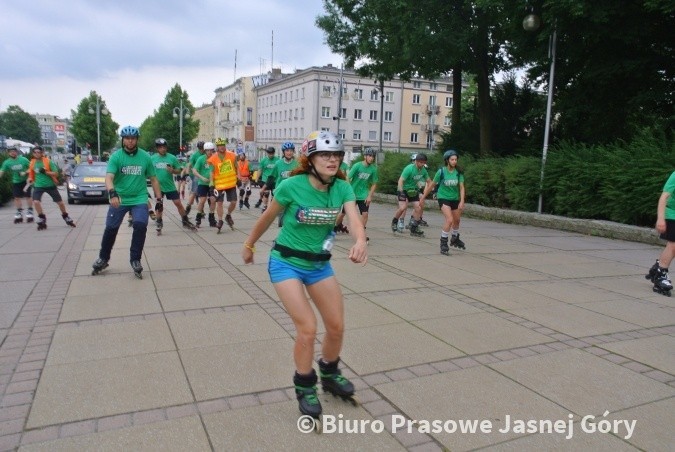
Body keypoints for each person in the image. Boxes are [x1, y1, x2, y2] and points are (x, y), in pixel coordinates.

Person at [241, 130, 367, 421]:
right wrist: (249, 245)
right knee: (308, 328)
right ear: (310, 159)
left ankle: (330, 373)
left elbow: (354, 218)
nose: (332, 160)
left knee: (336, 326)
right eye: (325, 155)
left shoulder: (342, 187)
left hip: (319, 266)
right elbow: (267, 217)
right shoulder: (291, 186)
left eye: (336, 155)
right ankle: (305, 385)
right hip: (286, 263)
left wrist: (360, 240)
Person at [91, 126, 162, 278]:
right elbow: (109, 178)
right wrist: (112, 193)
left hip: (139, 198)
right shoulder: (116, 157)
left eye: (133, 138)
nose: (130, 141)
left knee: (140, 225)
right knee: (110, 228)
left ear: (137, 139)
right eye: (127, 138)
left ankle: (135, 259)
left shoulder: (145, 157)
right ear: (123, 140)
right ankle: (103, 258)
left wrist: (159, 199)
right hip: (120, 198)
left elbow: (154, 180)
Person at [420, 150, 466, 255]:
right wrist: (423, 197)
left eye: (456, 159)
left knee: (457, 220)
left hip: (454, 198)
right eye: (452, 159)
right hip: (443, 197)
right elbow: (432, 185)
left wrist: (462, 201)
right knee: (449, 220)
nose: (454, 161)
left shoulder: (458, 172)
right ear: (447, 160)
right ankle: (443, 243)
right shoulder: (441, 171)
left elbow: (462, 187)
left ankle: (454, 238)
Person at [150, 138, 195, 234]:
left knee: (178, 202)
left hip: (170, 186)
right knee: (159, 205)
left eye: (164, 147)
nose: (163, 149)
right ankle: (159, 222)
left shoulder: (172, 158)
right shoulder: (152, 158)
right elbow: (148, 171)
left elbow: (179, 170)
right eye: (160, 147)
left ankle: (185, 220)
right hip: (158, 186)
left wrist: (173, 171)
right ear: (157, 148)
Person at [28, 146, 75, 230]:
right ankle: (41, 217)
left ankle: (65, 216)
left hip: (50, 185)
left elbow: (56, 173)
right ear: (33, 154)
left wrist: (46, 172)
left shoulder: (48, 161)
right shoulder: (32, 162)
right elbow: (31, 173)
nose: (37, 154)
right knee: (35, 202)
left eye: (38, 152)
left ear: (42, 153)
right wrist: (30, 179)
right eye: (35, 152)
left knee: (60, 203)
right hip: (38, 186)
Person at [646, 170, 675, 296]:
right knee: (673, 245)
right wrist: (661, 218)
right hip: (672, 214)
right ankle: (661, 275)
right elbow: (664, 197)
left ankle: (658, 266)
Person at [392, 153, 432, 237]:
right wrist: (401, 191)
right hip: (403, 190)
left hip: (413, 191)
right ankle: (395, 221)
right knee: (402, 208)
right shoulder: (409, 169)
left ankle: (414, 229)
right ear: (416, 161)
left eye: (424, 162)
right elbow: (400, 181)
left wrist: (433, 189)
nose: (422, 164)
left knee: (418, 208)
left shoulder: (423, 170)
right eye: (420, 162)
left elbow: (429, 181)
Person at [347, 148, 379, 241]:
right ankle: (335, 228)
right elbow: (348, 178)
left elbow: (374, 183)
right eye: (369, 156)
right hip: (352, 193)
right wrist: (348, 191)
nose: (371, 158)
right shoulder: (357, 166)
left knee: (365, 214)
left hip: (363, 194)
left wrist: (369, 196)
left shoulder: (373, 169)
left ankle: (361, 233)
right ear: (365, 156)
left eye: (373, 156)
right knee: (344, 214)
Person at [208, 138, 239, 232]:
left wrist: (239, 178)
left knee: (233, 202)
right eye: (220, 146)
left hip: (231, 183)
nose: (222, 147)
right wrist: (211, 184)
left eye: (223, 145)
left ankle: (228, 215)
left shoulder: (232, 155)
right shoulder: (213, 158)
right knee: (219, 203)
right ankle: (220, 220)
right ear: (217, 147)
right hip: (219, 184)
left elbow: (237, 167)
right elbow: (211, 172)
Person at [0, 145, 34, 223]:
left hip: (26, 181)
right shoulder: (7, 162)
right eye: (11, 152)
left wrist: (25, 172)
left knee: (28, 196)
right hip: (16, 181)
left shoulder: (23, 159)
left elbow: (32, 168)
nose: (13, 153)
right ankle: (19, 211)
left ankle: (30, 210)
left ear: (17, 152)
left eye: (14, 151)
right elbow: (2, 171)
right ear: (8, 153)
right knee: (16, 197)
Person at [269, 141, 299, 227]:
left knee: (293, 214)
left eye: (291, 151)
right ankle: (282, 234)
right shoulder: (278, 163)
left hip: (293, 193)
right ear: (283, 152)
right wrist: (265, 188)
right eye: (287, 151)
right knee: (281, 216)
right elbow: (272, 177)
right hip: (281, 192)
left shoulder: (297, 164)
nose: (289, 153)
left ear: (293, 152)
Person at [192, 142, 216, 227]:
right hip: (202, 183)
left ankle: (212, 218)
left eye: (211, 150)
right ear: (205, 151)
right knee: (202, 200)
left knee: (213, 200)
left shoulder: (215, 159)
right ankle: (198, 218)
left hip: (213, 183)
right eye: (207, 150)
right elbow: (194, 170)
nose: (209, 152)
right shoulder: (201, 159)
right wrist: (201, 178)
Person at [254, 146, 280, 212]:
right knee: (266, 194)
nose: (271, 155)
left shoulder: (277, 160)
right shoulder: (264, 160)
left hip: (274, 180)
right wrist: (257, 178)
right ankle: (265, 206)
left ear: (274, 153)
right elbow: (260, 170)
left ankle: (272, 207)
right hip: (265, 180)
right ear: (267, 153)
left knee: (274, 195)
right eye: (269, 153)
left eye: (272, 153)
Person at [183, 141, 205, 215]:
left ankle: (201, 210)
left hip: (204, 175)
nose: (201, 150)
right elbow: (189, 164)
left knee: (203, 194)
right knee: (194, 191)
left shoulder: (206, 154)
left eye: (202, 148)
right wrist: (187, 173)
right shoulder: (195, 155)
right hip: (195, 175)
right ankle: (188, 207)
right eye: (200, 148)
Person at [333, 159, 352, 234]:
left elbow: (348, 176)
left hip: (342, 190)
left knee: (341, 212)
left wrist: (348, 186)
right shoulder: (333, 164)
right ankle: (336, 225)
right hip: (334, 190)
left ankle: (337, 225)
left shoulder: (345, 166)